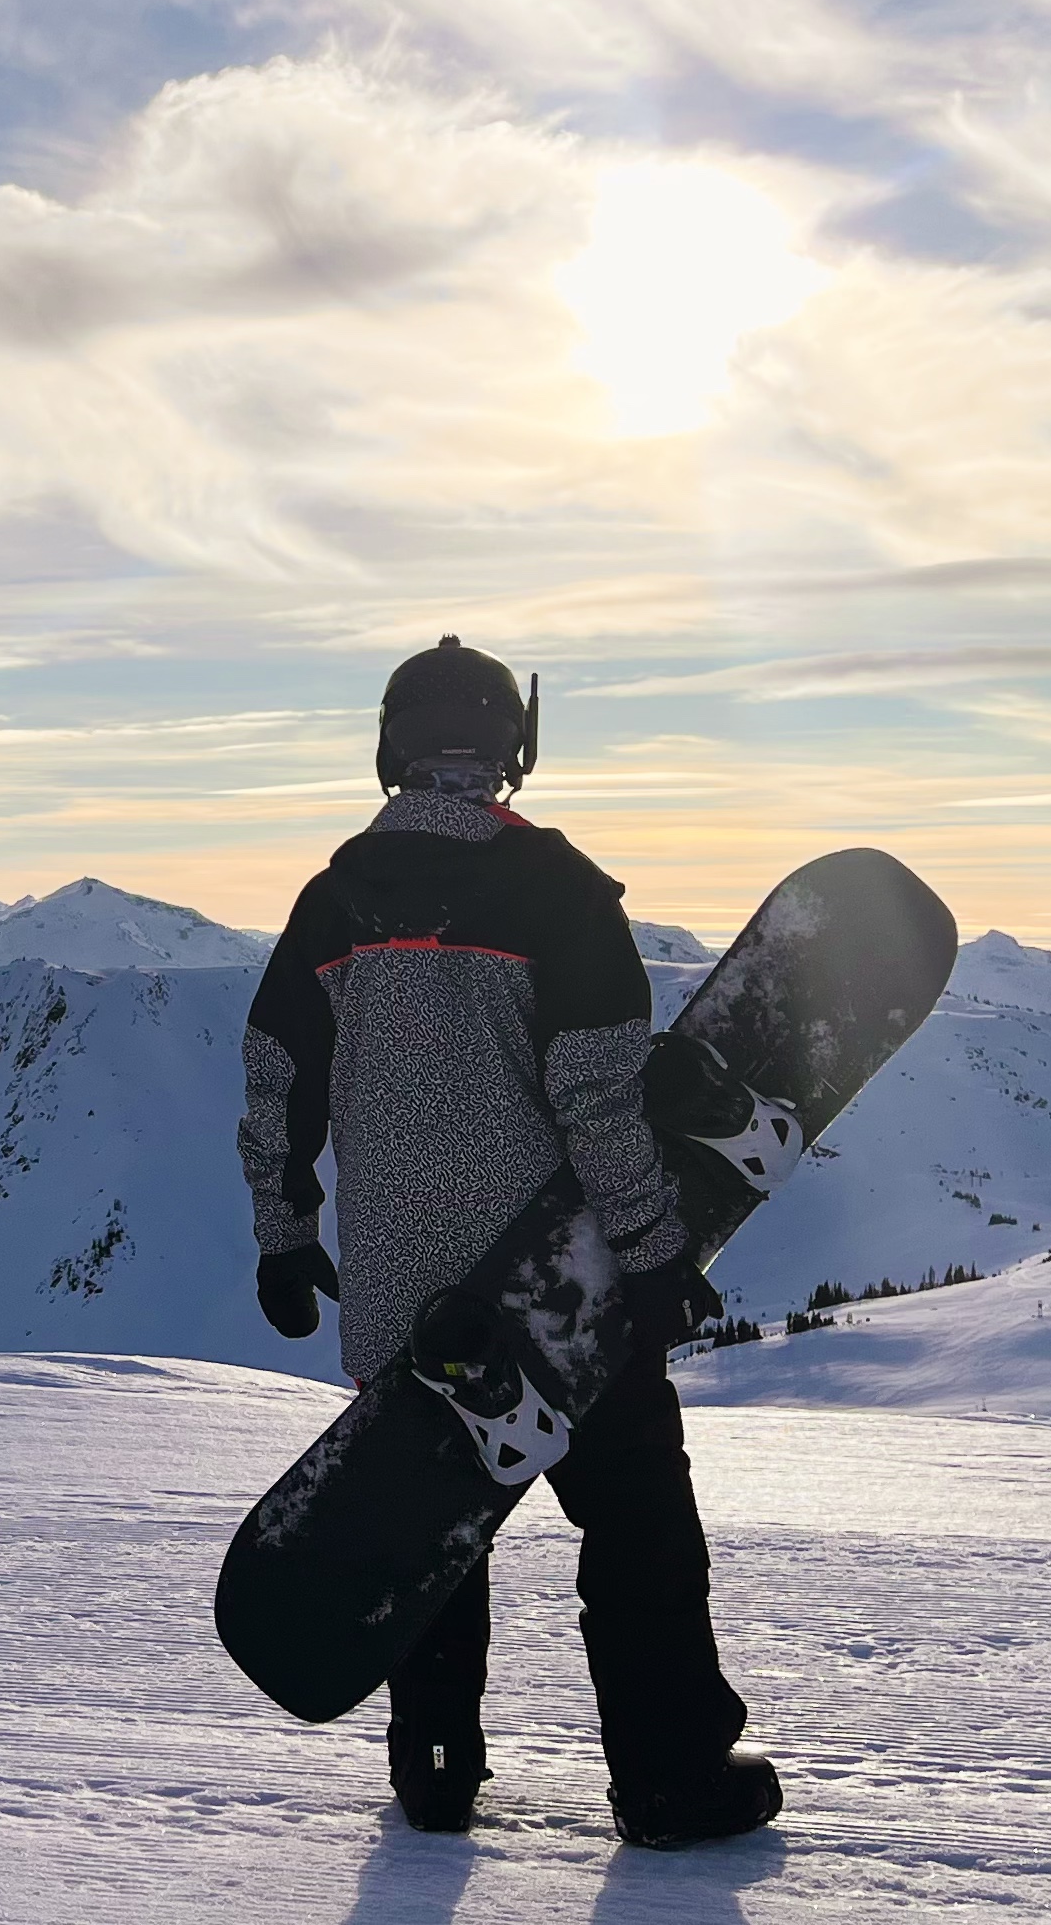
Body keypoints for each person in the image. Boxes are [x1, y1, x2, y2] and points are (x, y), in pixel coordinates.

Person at [235, 636, 781, 1846]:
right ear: (514, 749)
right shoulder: (558, 893)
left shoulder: (330, 904)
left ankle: (435, 1773)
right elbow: (596, 1096)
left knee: (431, 1521)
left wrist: (285, 1237)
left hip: (401, 1293)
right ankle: (672, 1778)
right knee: (637, 1521)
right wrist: (649, 1255)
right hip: (556, 1286)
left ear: (390, 746)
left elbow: (276, 1082)